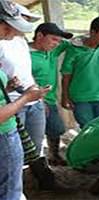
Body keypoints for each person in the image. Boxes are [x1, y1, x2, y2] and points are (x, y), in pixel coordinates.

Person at [0, 4, 56, 190]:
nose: (25, 25)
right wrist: (23, 97)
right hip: (14, 103)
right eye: (24, 20)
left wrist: (35, 95)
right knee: (13, 154)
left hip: (28, 97)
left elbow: (24, 71)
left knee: (34, 145)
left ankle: (40, 181)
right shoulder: (2, 40)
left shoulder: (20, 40)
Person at [30, 22, 73, 165]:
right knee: (35, 135)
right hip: (32, 101)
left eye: (59, 40)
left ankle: (53, 155)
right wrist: (38, 100)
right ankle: (36, 163)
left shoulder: (52, 50)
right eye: (54, 39)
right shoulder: (26, 55)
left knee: (56, 128)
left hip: (50, 98)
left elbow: (74, 41)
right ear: (39, 36)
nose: (57, 44)